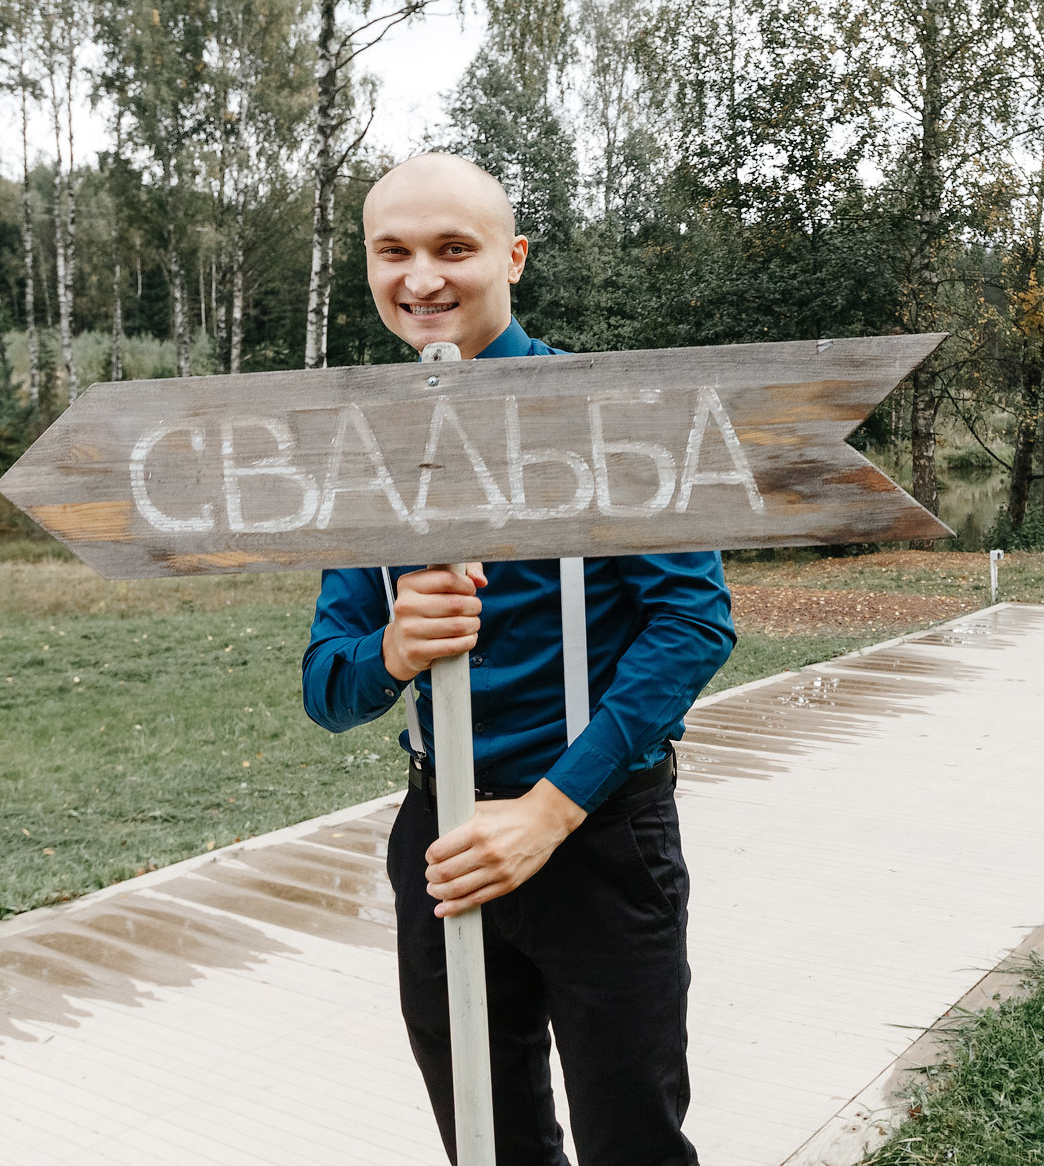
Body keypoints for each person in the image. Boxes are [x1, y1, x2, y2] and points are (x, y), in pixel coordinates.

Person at [301, 152, 734, 1165]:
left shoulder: (613, 413)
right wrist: (395, 649)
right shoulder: (359, 441)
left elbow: (692, 626)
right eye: (391, 252)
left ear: (513, 256)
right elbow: (328, 682)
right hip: (440, 837)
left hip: (595, 832)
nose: (421, 280)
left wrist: (547, 812)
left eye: (454, 248)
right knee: (487, 1145)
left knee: (631, 1140)